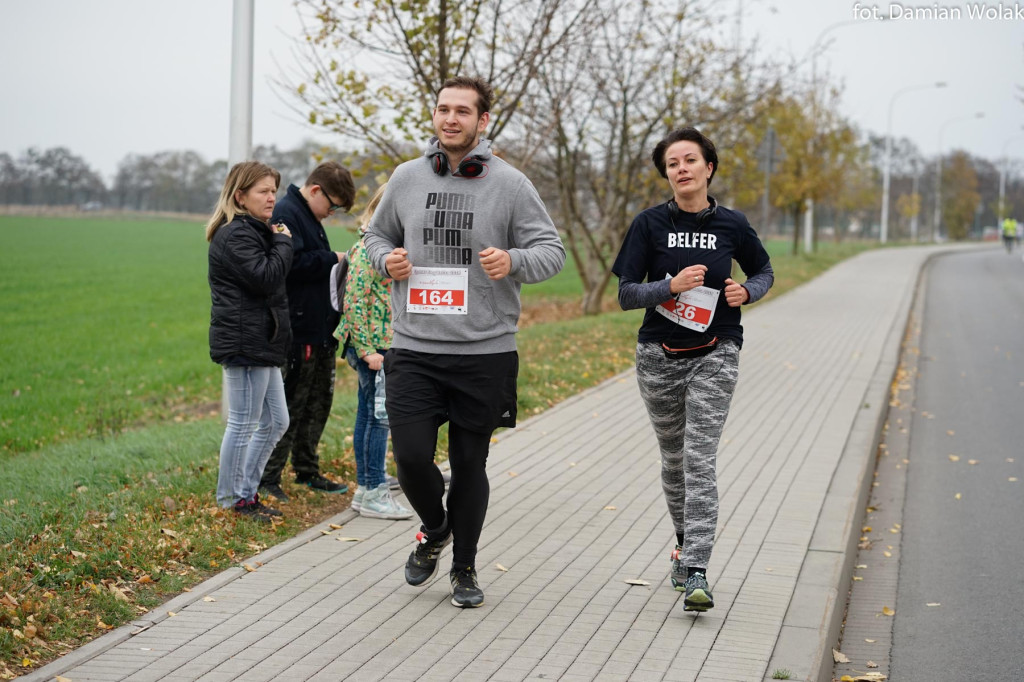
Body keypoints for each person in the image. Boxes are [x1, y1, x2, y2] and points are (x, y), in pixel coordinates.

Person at [363, 76, 566, 608]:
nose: (450, 119)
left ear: (482, 122)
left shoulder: (512, 185)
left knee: (470, 468)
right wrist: (386, 259)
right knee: (409, 458)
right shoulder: (406, 178)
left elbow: (552, 250)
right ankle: (434, 529)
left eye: (462, 111)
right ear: (434, 117)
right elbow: (374, 236)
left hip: (484, 353)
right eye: (442, 110)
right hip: (414, 348)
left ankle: (465, 569)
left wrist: (514, 261)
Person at [611, 127, 774, 612]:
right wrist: (670, 286)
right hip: (659, 356)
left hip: (716, 350)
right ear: (667, 174)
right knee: (674, 460)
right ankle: (683, 542)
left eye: (689, 160)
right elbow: (625, 294)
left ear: (709, 167)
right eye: (672, 164)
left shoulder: (733, 224)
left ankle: (699, 568)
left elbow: (763, 271)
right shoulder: (648, 224)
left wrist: (749, 292)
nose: (681, 169)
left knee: (699, 457)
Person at [258, 162, 356, 502]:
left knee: (318, 403)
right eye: (332, 205)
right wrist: (334, 257)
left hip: (320, 328)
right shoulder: (286, 213)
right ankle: (268, 478)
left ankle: (306, 469)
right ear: (315, 191)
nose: (332, 213)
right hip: (298, 330)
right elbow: (290, 264)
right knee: (290, 405)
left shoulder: (308, 215)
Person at [207, 161, 293, 523]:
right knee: (242, 422)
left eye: (274, 190)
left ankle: (246, 492)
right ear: (240, 196)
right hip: (245, 342)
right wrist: (284, 243)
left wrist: (275, 239)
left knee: (276, 421)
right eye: (263, 191)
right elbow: (266, 278)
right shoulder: (235, 235)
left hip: (262, 340)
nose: (272, 197)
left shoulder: (255, 231)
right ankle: (231, 500)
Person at [339, 183, 414, 520]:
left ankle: (366, 488)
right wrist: (369, 351)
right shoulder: (369, 248)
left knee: (369, 416)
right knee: (379, 420)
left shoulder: (385, 246)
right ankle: (373, 492)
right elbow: (353, 301)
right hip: (373, 348)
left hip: (381, 344)